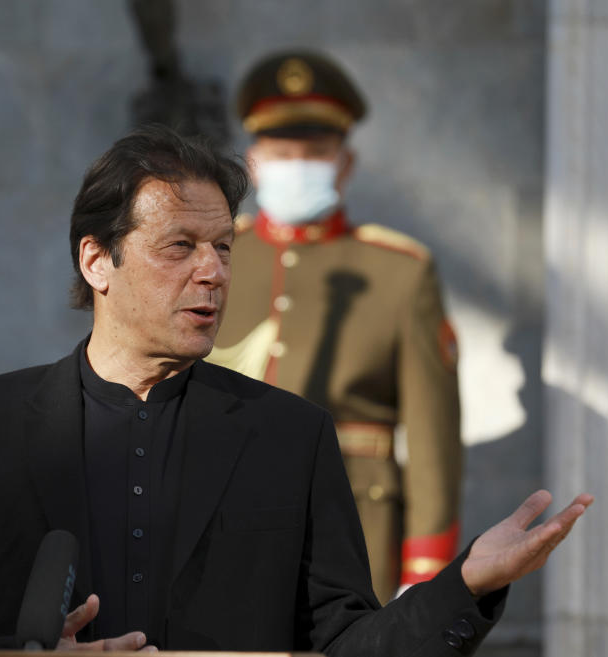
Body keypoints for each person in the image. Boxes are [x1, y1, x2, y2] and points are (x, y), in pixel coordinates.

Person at [0, 124, 592, 654]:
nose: (212, 272)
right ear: (96, 260)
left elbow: (346, 642)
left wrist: (464, 583)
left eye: (222, 248)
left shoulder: (290, 437)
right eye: (180, 247)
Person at [207, 50, 462, 602]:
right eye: (282, 153)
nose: (298, 165)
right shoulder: (218, 256)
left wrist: (425, 572)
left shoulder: (399, 271)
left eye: (316, 154)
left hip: (355, 533)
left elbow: (433, 436)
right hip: (221, 525)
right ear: (253, 162)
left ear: (345, 164)